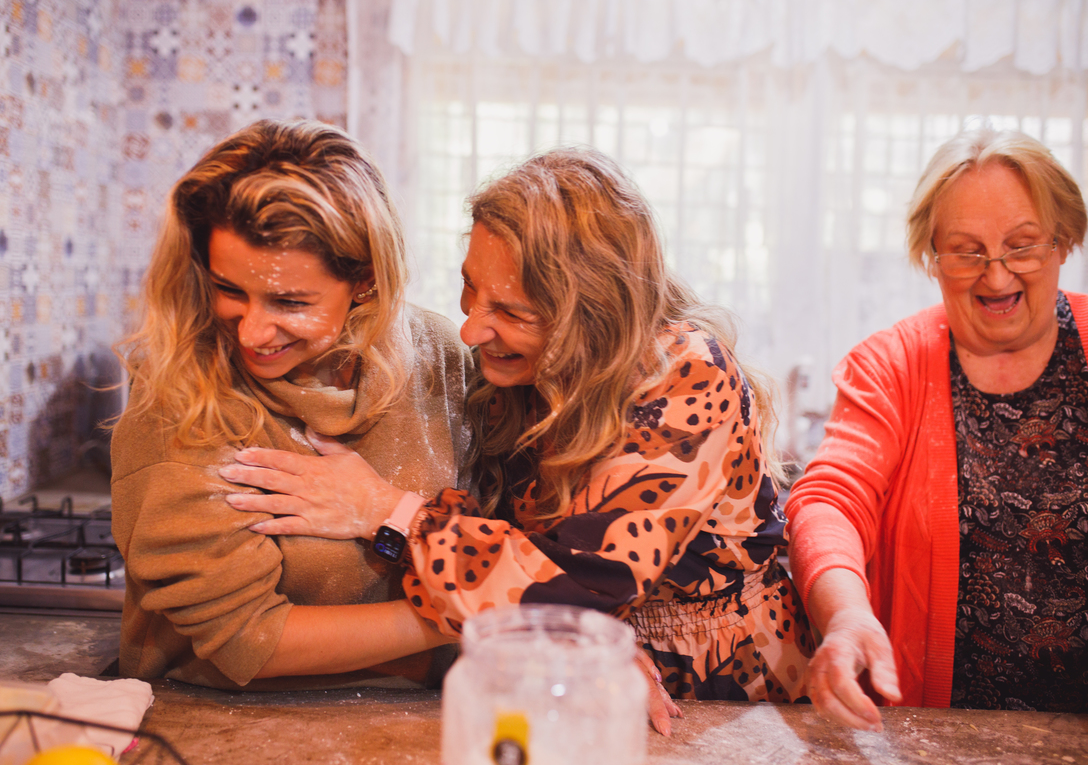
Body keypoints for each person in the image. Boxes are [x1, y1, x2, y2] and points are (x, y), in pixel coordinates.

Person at [219, 147, 817, 714]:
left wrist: (384, 510)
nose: (472, 330)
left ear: (595, 315)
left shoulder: (685, 375)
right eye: (469, 287)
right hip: (572, 659)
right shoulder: (529, 372)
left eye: (511, 312)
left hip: (717, 683)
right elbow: (527, 558)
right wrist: (579, 635)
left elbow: (582, 586)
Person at [110, 120, 473, 690]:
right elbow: (246, 637)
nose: (252, 332)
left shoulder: (440, 355)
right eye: (229, 289)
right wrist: (477, 613)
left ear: (366, 282)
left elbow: (493, 527)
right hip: (221, 722)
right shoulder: (180, 389)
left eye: (289, 301)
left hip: (429, 702)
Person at [785, 127, 1088, 730]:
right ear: (932, 256)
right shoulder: (890, 365)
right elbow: (829, 500)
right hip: (938, 733)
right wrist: (845, 614)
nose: (996, 277)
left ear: (1063, 242)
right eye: (967, 251)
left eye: (1022, 246)